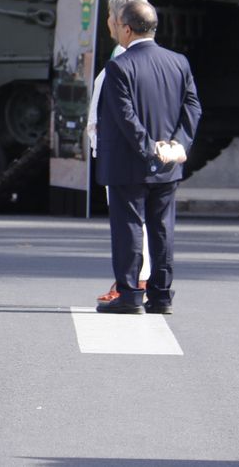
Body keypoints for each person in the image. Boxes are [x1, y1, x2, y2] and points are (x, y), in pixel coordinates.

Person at [94, 0, 202, 315]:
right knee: (162, 229)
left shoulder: (119, 67)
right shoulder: (178, 62)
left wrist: (150, 149)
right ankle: (161, 296)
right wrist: (177, 146)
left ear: (127, 29)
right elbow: (193, 108)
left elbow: (126, 118)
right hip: (169, 163)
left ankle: (129, 295)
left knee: (128, 228)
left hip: (129, 163)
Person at [88, 34, 150, 303]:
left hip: (123, 157)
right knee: (151, 224)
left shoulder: (115, 66)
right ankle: (149, 282)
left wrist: (99, 149)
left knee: (129, 224)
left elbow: (98, 119)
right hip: (158, 155)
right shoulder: (166, 61)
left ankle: (133, 282)